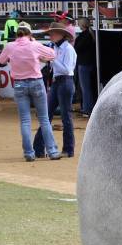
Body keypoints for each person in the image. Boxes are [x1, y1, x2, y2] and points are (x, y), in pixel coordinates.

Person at [0, 23, 59, 161]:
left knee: (25, 120)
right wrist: (34, 42)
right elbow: (52, 54)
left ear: (17, 34)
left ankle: (28, 153)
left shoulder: (10, 46)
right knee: (44, 119)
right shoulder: (34, 45)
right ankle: (52, 151)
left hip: (19, 83)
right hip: (36, 81)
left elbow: (1, 60)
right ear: (29, 34)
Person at [34, 22, 76, 158]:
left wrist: (51, 60)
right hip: (59, 82)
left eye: (53, 33)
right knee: (48, 115)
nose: (50, 36)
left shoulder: (68, 49)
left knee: (64, 116)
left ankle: (68, 149)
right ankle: (39, 149)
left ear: (61, 34)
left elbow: (67, 69)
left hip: (65, 81)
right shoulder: (55, 47)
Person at [74, 18, 97, 117]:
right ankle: (89, 107)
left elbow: (77, 48)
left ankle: (87, 108)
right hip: (90, 63)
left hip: (84, 63)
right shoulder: (91, 34)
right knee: (89, 87)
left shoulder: (84, 35)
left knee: (85, 88)